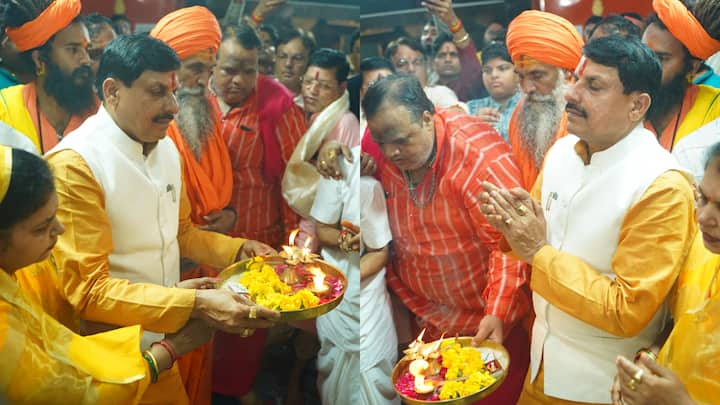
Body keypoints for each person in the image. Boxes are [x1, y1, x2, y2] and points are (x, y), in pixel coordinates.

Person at [46, 34, 279, 405]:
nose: (172, 106)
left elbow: (181, 232)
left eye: (172, 91)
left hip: (163, 341)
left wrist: (239, 253)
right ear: (112, 91)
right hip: (108, 358)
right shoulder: (77, 165)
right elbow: (88, 292)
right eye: (157, 92)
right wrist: (197, 305)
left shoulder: (166, 146)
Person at [479, 35, 696, 405]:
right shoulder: (563, 150)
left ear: (637, 105)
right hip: (540, 362)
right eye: (576, 79)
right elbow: (537, 232)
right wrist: (513, 221)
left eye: (593, 85)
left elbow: (627, 310)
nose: (571, 94)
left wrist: (537, 250)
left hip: (600, 385)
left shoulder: (661, 185)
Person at [0, 145, 220, 404]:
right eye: (41, 228)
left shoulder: (35, 264)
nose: (59, 230)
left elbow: (70, 327)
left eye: (55, 218)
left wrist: (175, 299)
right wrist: (169, 350)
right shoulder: (82, 159)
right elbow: (67, 395)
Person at [363, 74, 531, 404]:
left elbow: (510, 243)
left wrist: (497, 312)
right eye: (381, 142)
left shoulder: (478, 157)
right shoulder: (381, 144)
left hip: (484, 324)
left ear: (427, 118)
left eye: (401, 141)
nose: (391, 152)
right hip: (423, 315)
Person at [211, 23, 308, 405]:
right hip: (200, 245)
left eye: (249, 70)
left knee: (244, 337)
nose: (238, 80)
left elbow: (294, 184)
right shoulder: (193, 99)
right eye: (229, 69)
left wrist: (290, 251)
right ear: (213, 65)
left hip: (255, 246)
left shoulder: (276, 104)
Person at [149, 7, 234, 405]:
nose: (203, 80)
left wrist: (230, 217)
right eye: (195, 68)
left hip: (206, 267)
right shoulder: (149, 124)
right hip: (167, 278)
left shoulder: (208, 109)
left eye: (209, 68)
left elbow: (219, 188)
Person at [610, 142, 720, 405]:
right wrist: (651, 360)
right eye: (703, 198)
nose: (704, 217)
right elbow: (684, 322)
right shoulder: (702, 250)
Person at [282, 48, 359, 250]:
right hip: (288, 218)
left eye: (323, 86)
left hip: (320, 233)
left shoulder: (345, 123)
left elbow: (335, 192)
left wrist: (305, 249)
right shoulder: (296, 113)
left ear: (342, 88)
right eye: (307, 82)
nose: (312, 91)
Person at [0, 0, 98, 153]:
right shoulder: (5, 110)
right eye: (73, 50)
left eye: (87, 49)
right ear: (39, 60)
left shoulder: (103, 111)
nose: (86, 59)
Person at [505, 10, 584, 190]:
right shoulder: (520, 113)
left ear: (567, 73)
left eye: (537, 75)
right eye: (521, 77)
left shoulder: (591, 117)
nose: (527, 88)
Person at [310, 144, 361, 405]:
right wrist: (346, 240)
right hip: (346, 292)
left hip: (391, 294)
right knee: (337, 380)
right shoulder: (342, 160)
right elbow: (322, 229)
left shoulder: (404, 160)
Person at [643, 0, 720, 151]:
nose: (645, 65)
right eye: (642, 53)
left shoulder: (715, 109)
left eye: (661, 58)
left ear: (692, 68)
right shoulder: (620, 102)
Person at [358, 172, 400, 404]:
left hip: (366, 303)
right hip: (333, 309)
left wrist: (343, 281)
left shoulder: (366, 188)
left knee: (372, 384)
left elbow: (379, 252)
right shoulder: (313, 187)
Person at [424, 0, 486, 101]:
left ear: (462, 61)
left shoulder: (469, 83)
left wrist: (452, 19)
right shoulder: (427, 91)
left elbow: (466, 48)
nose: (448, 59)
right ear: (432, 62)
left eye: (453, 55)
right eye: (442, 55)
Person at [384, 37, 464, 111]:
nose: (411, 69)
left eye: (417, 62)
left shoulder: (439, 94)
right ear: (390, 71)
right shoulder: (386, 104)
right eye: (402, 64)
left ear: (427, 66)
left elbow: (459, 116)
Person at [467, 42, 521, 142]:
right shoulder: (470, 108)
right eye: (487, 70)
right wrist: (473, 124)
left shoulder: (530, 105)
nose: (494, 75)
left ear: (518, 72)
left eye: (502, 69)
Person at [274, 28, 316, 104]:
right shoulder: (259, 93)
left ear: (309, 62)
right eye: (282, 56)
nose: (288, 64)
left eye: (297, 58)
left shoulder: (313, 102)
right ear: (275, 58)